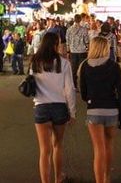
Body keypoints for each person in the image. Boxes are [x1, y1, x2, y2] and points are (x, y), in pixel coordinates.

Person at [79, 36, 121, 183]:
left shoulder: (85, 66)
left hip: (94, 110)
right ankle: (107, 178)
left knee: (98, 149)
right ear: (106, 48)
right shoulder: (114, 66)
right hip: (112, 110)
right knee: (109, 145)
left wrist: (90, 98)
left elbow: (83, 92)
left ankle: (99, 180)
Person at [31, 32, 76, 183]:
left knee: (44, 151)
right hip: (59, 107)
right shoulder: (64, 63)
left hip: (41, 106)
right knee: (57, 145)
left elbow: (32, 84)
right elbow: (69, 89)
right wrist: (72, 112)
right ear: (56, 44)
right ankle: (58, 178)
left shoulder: (35, 61)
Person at [66, 14, 89, 89]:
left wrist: (68, 52)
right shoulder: (84, 29)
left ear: (74, 19)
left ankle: (74, 85)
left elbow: (67, 42)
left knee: (73, 69)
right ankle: (82, 86)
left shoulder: (69, 29)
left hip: (73, 52)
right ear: (80, 20)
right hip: (82, 51)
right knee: (82, 69)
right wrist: (88, 50)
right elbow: (86, 41)